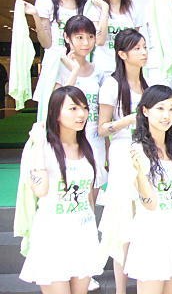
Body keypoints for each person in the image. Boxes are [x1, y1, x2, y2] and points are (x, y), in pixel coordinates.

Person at [19, 86, 102, 292]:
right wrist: (39, 144)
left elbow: (88, 197)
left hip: (83, 235)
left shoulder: (86, 148)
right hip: (52, 237)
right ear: (56, 113)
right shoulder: (41, 147)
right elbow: (40, 190)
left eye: (84, 108)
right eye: (73, 108)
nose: (81, 114)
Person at [125, 85, 172, 294]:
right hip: (151, 234)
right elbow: (149, 203)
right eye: (160, 108)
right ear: (145, 111)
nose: (166, 115)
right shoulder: (137, 150)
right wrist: (139, 173)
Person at [97, 29, 148, 294]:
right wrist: (128, 120)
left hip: (147, 151)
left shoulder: (148, 82)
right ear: (122, 54)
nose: (143, 52)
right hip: (122, 151)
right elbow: (102, 128)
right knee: (123, 221)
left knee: (145, 217)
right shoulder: (112, 84)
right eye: (137, 48)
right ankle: (120, 288)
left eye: (144, 47)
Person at [22, 0, 88, 120]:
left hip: (79, 62)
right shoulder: (46, 0)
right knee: (53, 113)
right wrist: (36, 16)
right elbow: (46, 43)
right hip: (56, 65)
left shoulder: (84, 4)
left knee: (78, 111)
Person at [55, 15, 106, 192]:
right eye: (79, 37)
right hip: (69, 138)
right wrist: (74, 71)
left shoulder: (98, 70)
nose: (86, 42)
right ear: (67, 37)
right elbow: (57, 104)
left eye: (90, 36)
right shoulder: (59, 67)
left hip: (95, 136)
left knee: (94, 186)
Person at [84, 0, 140, 76]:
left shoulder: (132, 7)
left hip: (127, 71)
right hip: (103, 69)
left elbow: (136, 43)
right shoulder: (95, 6)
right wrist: (105, 9)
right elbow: (99, 40)